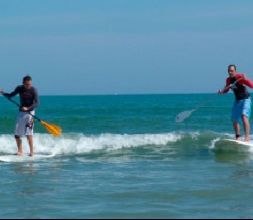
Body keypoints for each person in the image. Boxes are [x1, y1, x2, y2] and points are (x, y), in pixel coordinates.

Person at [0, 75, 39, 156]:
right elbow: (11, 95)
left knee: (29, 133)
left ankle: (32, 152)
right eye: (27, 84)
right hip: (21, 113)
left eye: (30, 84)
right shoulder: (19, 88)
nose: (28, 86)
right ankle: (20, 151)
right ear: (23, 83)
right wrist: (2, 92)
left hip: (30, 113)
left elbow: (37, 103)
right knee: (17, 134)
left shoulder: (33, 90)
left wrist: (28, 108)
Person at [218, 65, 253, 142]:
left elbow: (251, 85)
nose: (230, 72)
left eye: (232, 71)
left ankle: (247, 138)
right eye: (229, 71)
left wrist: (246, 79)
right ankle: (237, 136)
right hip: (237, 101)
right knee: (234, 119)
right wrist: (222, 92)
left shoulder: (239, 77)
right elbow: (226, 90)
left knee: (244, 117)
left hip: (246, 99)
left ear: (235, 71)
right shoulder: (228, 80)